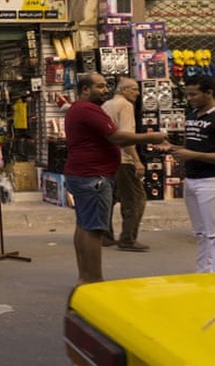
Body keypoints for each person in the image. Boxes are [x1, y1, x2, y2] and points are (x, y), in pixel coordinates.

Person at [64, 72, 169, 285]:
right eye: (100, 87)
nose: (105, 90)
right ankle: (93, 280)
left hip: (85, 173)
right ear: (86, 89)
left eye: (105, 86)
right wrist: (150, 137)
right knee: (93, 229)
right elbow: (118, 137)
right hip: (93, 175)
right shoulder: (90, 109)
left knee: (84, 225)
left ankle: (85, 277)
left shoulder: (83, 108)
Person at [169, 74, 215, 273]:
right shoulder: (191, 115)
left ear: (209, 93)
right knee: (199, 232)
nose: (189, 99)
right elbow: (190, 145)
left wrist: (192, 154)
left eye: (193, 95)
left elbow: (195, 151)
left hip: (210, 180)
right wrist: (172, 148)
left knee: (212, 233)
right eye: (187, 95)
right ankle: (201, 271)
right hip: (191, 178)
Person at [100, 77, 148, 251]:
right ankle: (127, 238)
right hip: (123, 159)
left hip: (108, 159)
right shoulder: (126, 106)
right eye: (134, 89)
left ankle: (105, 235)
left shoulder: (107, 105)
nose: (138, 93)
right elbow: (127, 138)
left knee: (109, 198)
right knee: (135, 199)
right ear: (124, 90)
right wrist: (136, 161)